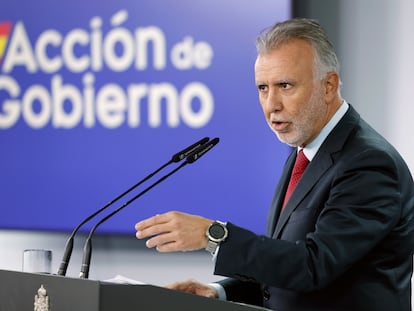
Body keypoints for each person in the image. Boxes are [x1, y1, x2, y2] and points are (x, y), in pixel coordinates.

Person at [135, 18, 414, 311]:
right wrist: (220, 292)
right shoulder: (303, 154)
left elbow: (314, 265)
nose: (271, 104)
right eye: (262, 88)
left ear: (329, 85)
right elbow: (287, 265)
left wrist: (213, 234)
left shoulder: (368, 163)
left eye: (284, 85)